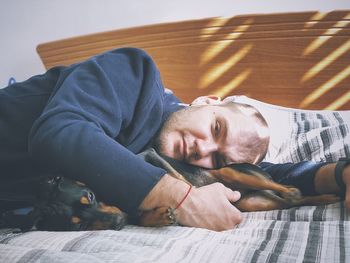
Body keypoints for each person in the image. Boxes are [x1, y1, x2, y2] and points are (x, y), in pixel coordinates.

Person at [0, 48, 349, 232]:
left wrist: (339, 174)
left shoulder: (177, 165)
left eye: (217, 160)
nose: (203, 151)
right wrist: (181, 198)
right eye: (216, 129)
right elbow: (60, 133)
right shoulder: (135, 73)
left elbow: (274, 177)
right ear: (207, 101)